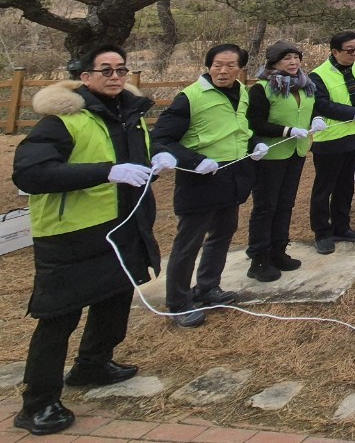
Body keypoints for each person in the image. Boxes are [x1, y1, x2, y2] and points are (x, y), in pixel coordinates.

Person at [11, 45, 163, 436]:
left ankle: (93, 365)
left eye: (121, 69)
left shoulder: (130, 116)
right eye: (105, 70)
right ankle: (38, 403)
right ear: (85, 77)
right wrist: (106, 172)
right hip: (71, 234)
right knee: (58, 318)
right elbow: (31, 174)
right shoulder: (62, 120)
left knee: (114, 300)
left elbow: (133, 166)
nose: (115, 76)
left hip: (121, 227)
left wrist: (156, 164)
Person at [153, 44, 263, 328]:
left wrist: (254, 144)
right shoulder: (190, 97)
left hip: (232, 175)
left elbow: (241, 128)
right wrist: (194, 161)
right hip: (200, 178)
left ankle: (208, 287)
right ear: (209, 66)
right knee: (189, 242)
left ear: (241, 69)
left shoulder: (243, 93)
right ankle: (178, 302)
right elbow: (162, 138)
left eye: (230, 66)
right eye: (217, 65)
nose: (223, 71)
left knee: (223, 233)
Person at [244, 40, 339, 282]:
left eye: (296, 57)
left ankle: (278, 251)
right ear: (274, 62)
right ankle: (259, 258)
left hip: (296, 152)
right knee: (266, 206)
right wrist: (286, 131)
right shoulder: (262, 88)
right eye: (287, 58)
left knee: (286, 204)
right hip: (271, 155)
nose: (293, 62)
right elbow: (254, 122)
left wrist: (317, 119)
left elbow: (311, 108)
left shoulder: (305, 85)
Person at [308, 31, 355, 254]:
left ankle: (341, 226)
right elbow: (321, 104)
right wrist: (351, 113)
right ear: (335, 52)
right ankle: (321, 232)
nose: (354, 53)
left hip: (354, 136)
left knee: (345, 185)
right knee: (324, 188)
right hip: (330, 140)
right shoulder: (318, 75)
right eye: (349, 50)